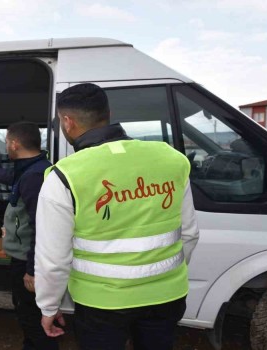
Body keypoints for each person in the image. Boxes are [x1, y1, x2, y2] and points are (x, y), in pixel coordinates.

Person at [34, 84, 200, 350]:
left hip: (102, 303)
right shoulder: (171, 159)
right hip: (166, 297)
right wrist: (163, 278)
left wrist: (49, 306)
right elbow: (190, 233)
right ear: (108, 113)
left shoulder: (64, 176)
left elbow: (53, 259)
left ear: (67, 121)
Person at [0, 122, 57, 350]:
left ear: (15, 144)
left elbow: (42, 226)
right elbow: (8, 175)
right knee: (29, 312)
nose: (6, 145)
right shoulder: (33, 167)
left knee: (30, 315)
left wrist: (31, 270)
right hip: (26, 256)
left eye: (6, 141)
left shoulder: (33, 177)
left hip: (28, 260)